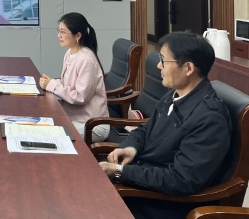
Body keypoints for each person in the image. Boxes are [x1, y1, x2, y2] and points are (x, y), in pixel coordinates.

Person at [99, 31, 232, 219]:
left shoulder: (210, 118)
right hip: (141, 186)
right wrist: (130, 148)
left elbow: (180, 179)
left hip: (159, 205)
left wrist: (121, 172)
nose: (158, 65)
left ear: (188, 68)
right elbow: (146, 129)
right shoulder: (174, 94)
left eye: (163, 60)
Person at [39, 12, 109, 142]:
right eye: (59, 31)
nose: (59, 35)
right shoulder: (70, 53)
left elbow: (80, 97)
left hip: (92, 125)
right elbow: (68, 83)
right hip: (75, 118)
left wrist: (53, 86)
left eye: (63, 32)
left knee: (49, 135)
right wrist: (51, 82)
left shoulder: (86, 60)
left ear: (78, 35)